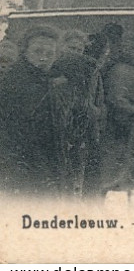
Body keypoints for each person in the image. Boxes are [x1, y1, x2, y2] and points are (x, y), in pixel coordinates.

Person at [0, 25, 70, 195]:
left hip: (44, 167)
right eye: (38, 51)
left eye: (50, 53)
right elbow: (16, 135)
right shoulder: (14, 83)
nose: (43, 58)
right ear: (24, 51)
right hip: (25, 171)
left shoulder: (46, 81)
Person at [52, 28, 106, 197]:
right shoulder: (53, 69)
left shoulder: (92, 70)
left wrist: (94, 112)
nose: (75, 52)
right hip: (58, 129)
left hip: (85, 128)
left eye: (79, 49)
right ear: (62, 47)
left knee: (82, 176)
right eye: (71, 48)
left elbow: (99, 98)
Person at [99, 36, 134, 195]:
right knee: (117, 160)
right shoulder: (120, 70)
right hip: (120, 122)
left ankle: (126, 193)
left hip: (130, 121)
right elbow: (115, 98)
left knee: (128, 159)